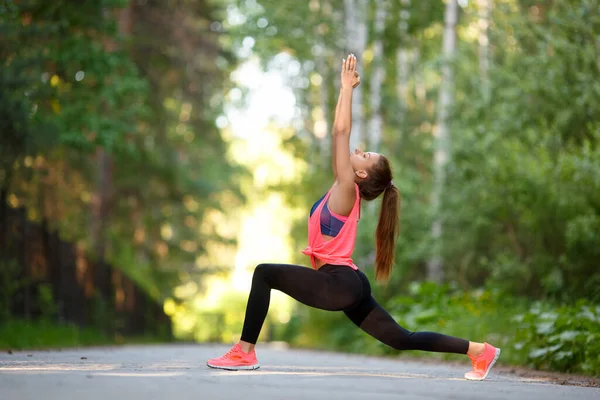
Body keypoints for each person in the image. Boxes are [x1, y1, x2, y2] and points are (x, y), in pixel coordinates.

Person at [207, 54, 501, 381]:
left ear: (360, 172)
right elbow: (339, 132)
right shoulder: (344, 187)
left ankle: (244, 352)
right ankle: (479, 351)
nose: (357, 149)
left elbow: (339, 131)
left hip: (339, 282)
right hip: (348, 281)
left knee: (264, 274)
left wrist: (347, 89)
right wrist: (342, 92)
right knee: (401, 338)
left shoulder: (348, 189)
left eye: (364, 154)